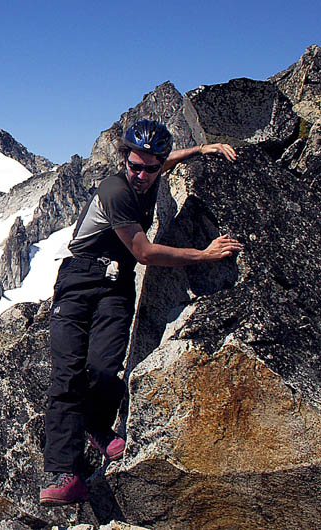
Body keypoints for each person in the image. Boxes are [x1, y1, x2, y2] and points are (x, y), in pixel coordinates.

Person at [38, 119, 243, 506]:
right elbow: (145, 253)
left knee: (105, 365)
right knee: (67, 375)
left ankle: (97, 427)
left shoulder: (149, 171)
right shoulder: (116, 190)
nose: (142, 175)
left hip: (117, 282)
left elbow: (167, 160)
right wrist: (204, 255)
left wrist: (201, 149)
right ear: (124, 160)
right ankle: (66, 474)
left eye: (151, 168)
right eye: (135, 166)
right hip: (80, 278)